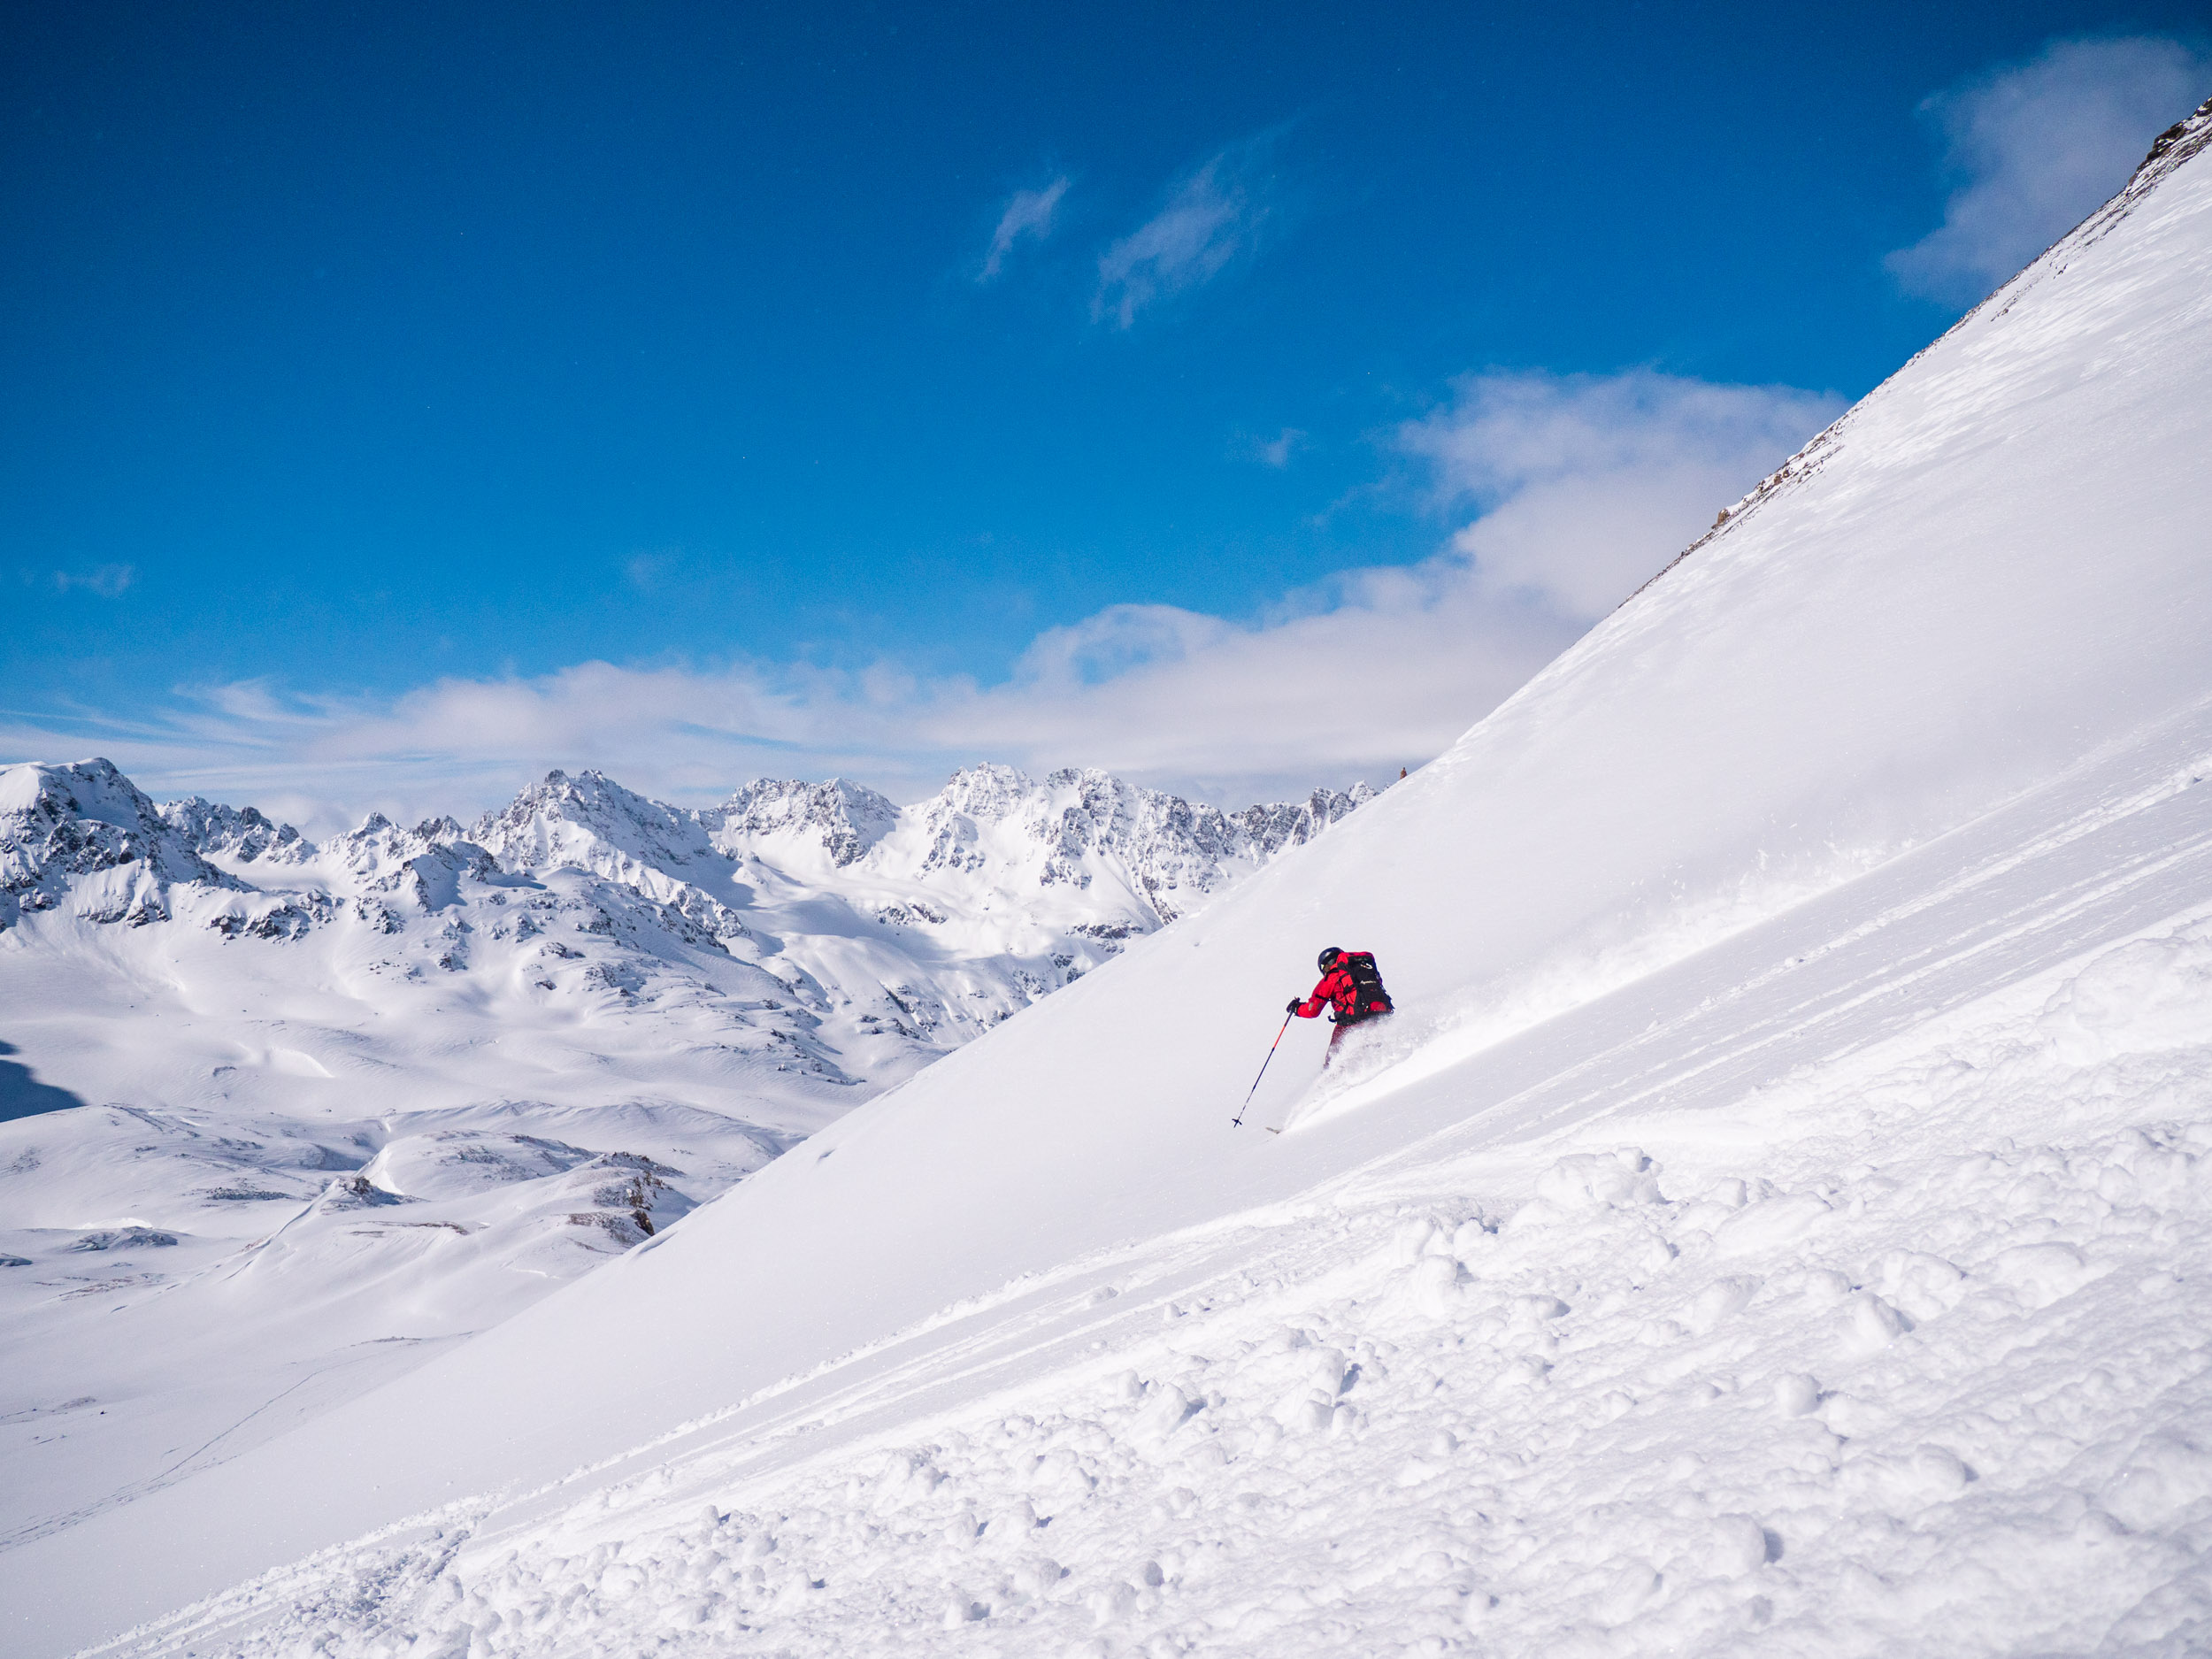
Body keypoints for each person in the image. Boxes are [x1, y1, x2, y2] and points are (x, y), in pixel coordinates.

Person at [1287, 946, 1394, 1064]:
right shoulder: (1363, 970)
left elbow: (1312, 1010)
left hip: (1353, 1020)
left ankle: (1333, 1077)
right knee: (1378, 1044)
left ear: (1327, 964)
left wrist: (1296, 1008)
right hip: (1380, 1013)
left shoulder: (1331, 978)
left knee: (1334, 1056)